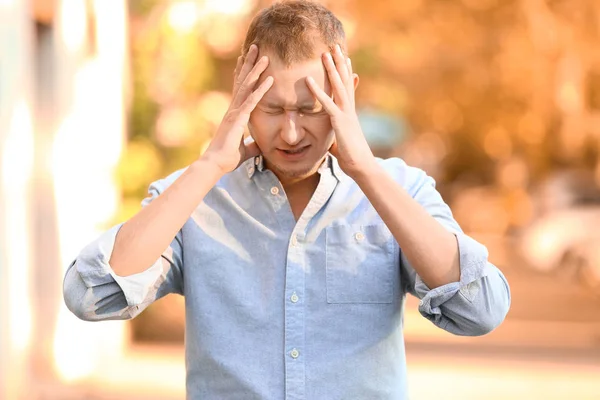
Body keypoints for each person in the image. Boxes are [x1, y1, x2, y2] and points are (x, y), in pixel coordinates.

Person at [63, 1, 511, 398]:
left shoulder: (400, 191)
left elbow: (480, 309)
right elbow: (90, 295)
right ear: (242, 96)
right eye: (272, 109)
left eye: (311, 110)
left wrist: (365, 170)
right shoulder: (195, 197)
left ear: (345, 93)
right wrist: (208, 167)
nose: (292, 133)